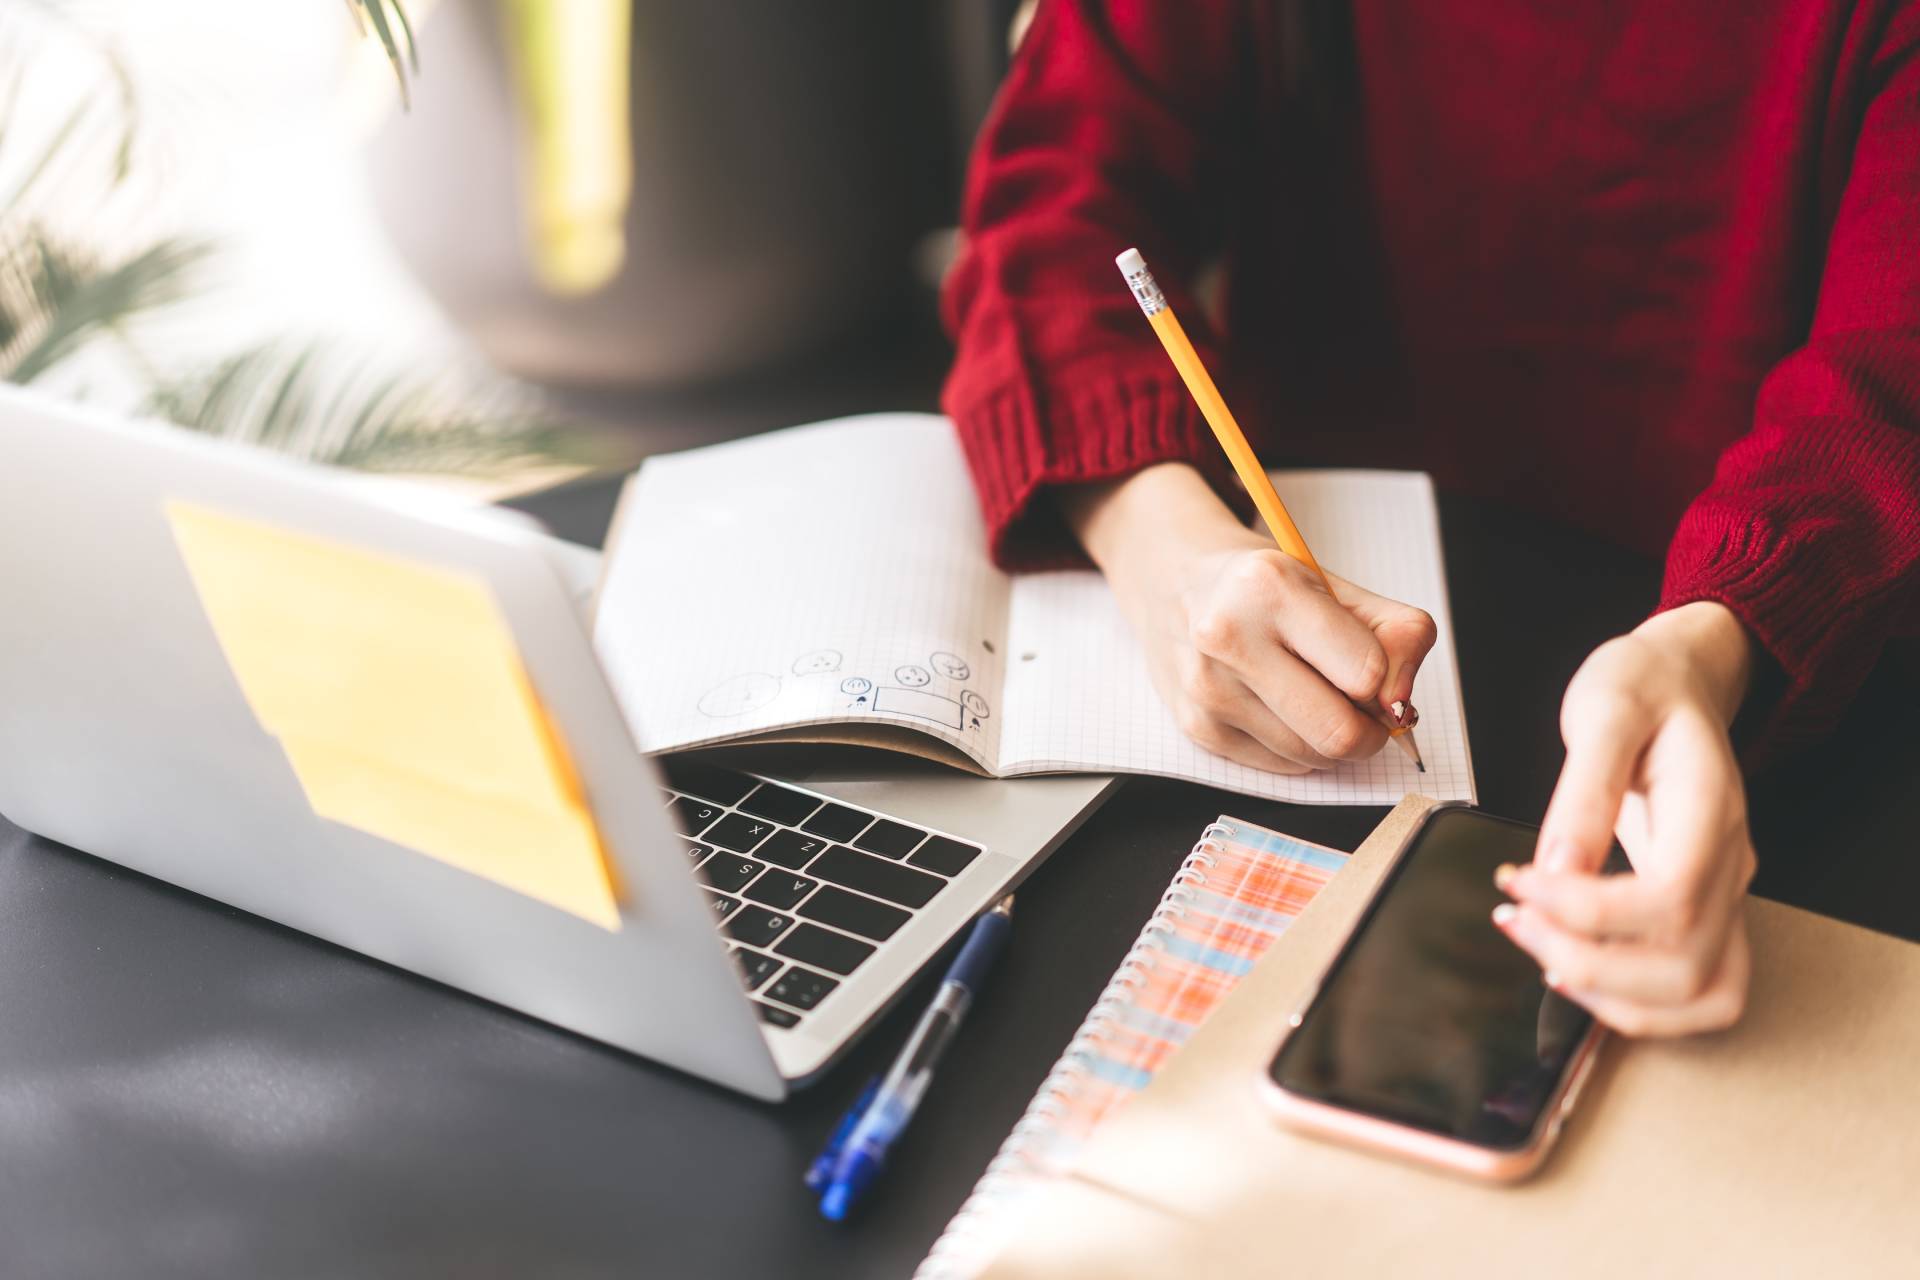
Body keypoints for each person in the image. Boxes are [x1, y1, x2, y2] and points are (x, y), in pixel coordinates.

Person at [941, 0, 1920, 1036]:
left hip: (1798, 713)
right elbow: (1048, 217)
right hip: (1292, 610)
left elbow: (1888, 380)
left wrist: (1723, 639)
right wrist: (1161, 543)